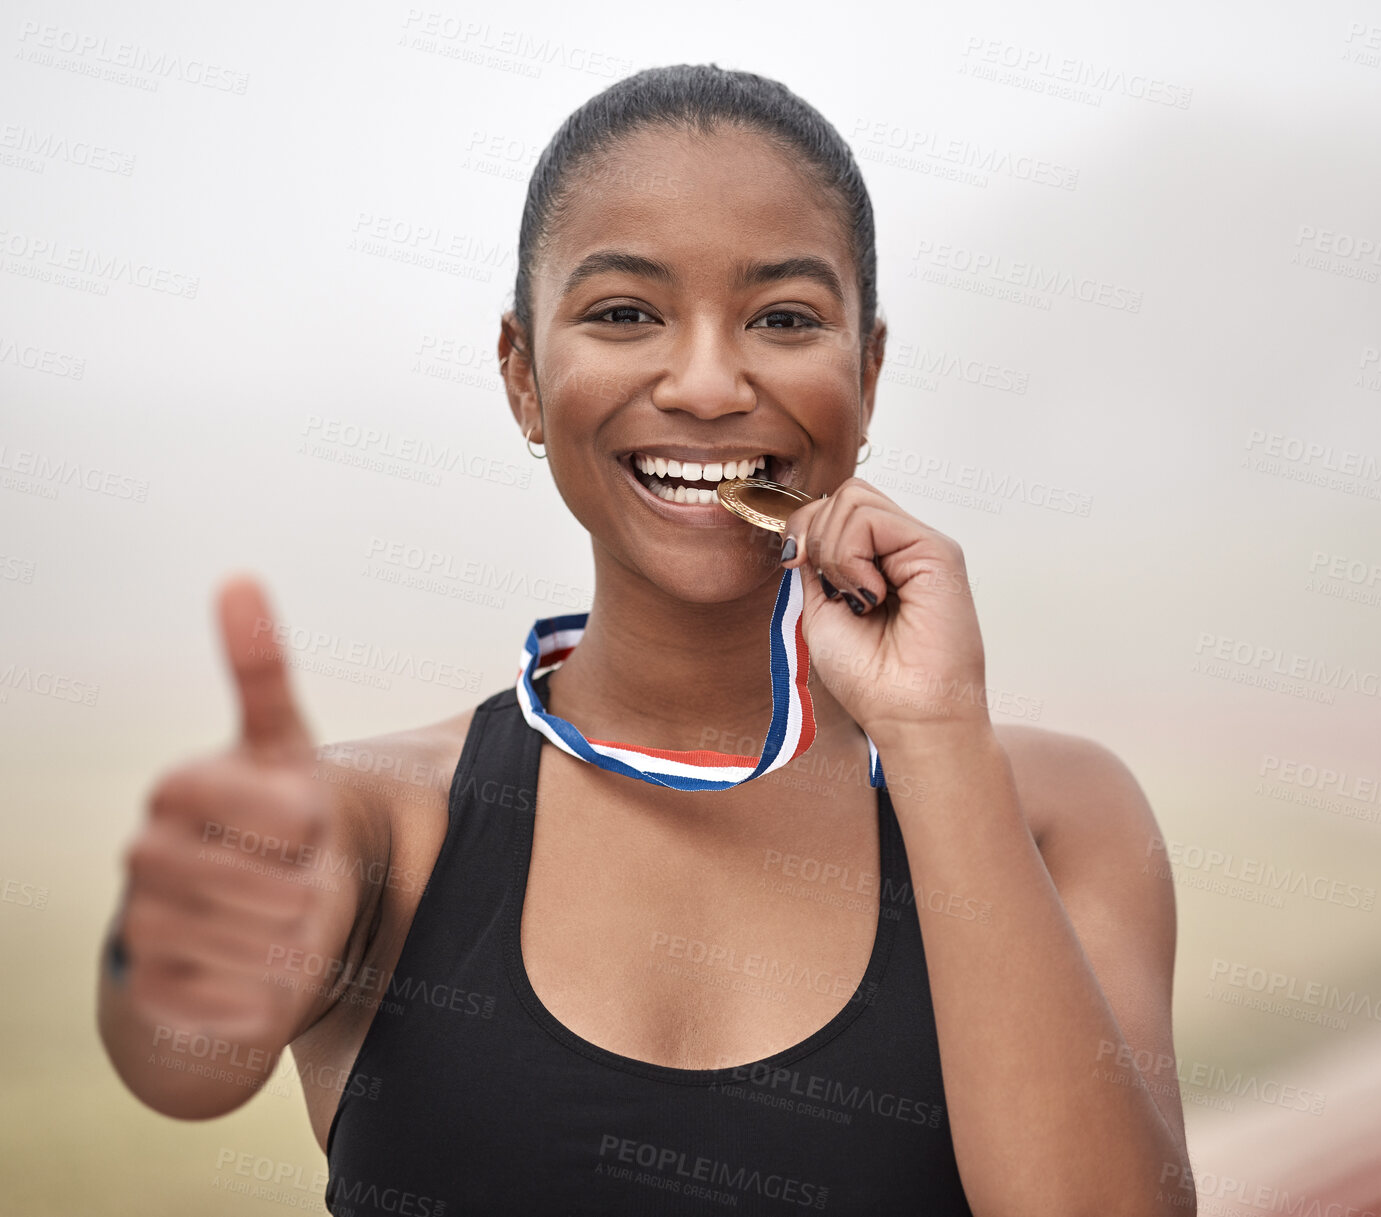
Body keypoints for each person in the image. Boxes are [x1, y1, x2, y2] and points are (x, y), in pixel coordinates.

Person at [97, 63, 1195, 1216]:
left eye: (783, 317)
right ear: (523, 375)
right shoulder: (377, 824)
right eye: (625, 313)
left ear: (865, 376)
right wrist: (179, 952)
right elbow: (181, 1059)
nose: (710, 383)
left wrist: (934, 736)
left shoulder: (1058, 815)